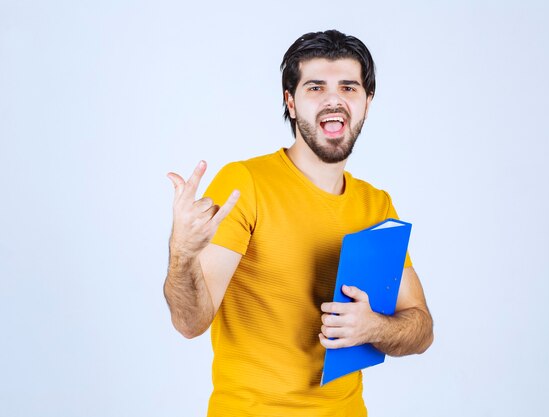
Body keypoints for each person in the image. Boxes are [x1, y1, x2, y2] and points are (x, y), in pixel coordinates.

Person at [163, 29, 434, 417]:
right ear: (290, 102)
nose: (333, 100)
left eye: (348, 87)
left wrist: (374, 327)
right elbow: (190, 322)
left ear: (367, 103)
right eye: (315, 88)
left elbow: (421, 328)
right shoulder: (246, 184)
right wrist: (182, 253)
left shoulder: (377, 205)